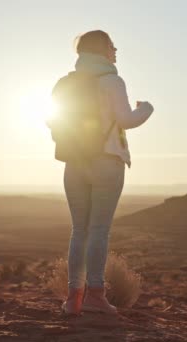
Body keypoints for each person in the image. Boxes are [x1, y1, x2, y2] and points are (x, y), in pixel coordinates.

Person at [59, 30, 154, 315]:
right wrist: (147, 109)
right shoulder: (112, 80)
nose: (116, 51)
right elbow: (126, 119)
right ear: (103, 50)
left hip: (73, 162)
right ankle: (96, 296)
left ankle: (73, 299)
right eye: (113, 46)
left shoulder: (66, 83)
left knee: (79, 231)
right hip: (107, 161)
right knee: (99, 230)